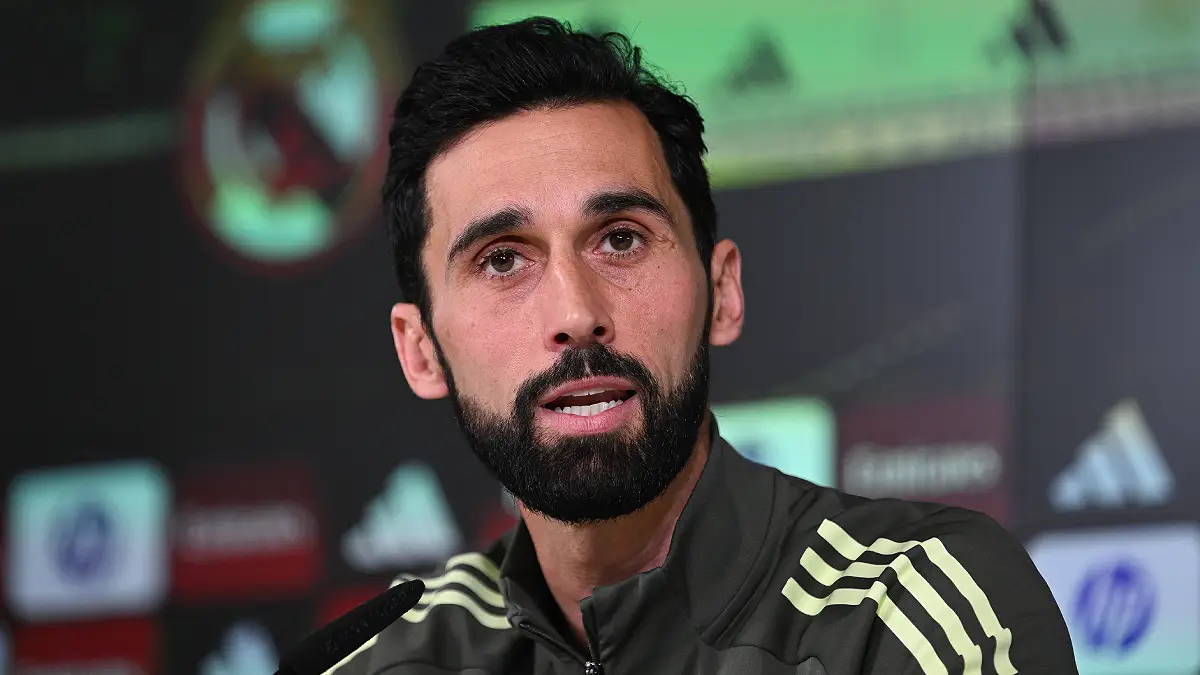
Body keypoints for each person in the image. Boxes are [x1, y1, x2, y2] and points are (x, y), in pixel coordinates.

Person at [329, 16, 1078, 675]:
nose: (576, 312)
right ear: (420, 349)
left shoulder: (911, 615)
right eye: (502, 259)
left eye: (620, 240)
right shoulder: (390, 660)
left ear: (722, 291)